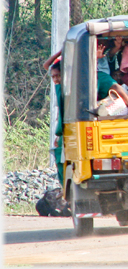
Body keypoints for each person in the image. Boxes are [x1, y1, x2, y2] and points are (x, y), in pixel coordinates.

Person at [96, 42, 128, 114]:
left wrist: (117, 46)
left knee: (115, 86)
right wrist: (95, 57)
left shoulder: (104, 52)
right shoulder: (82, 51)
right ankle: (93, 109)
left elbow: (111, 54)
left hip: (103, 75)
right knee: (93, 88)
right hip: (91, 74)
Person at [43, 50, 64, 187]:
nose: (55, 80)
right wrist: (59, 53)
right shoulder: (58, 88)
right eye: (53, 77)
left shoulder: (67, 86)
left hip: (65, 129)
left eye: (58, 76)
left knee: (59, 156)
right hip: (62, 129)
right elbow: (47, 65)